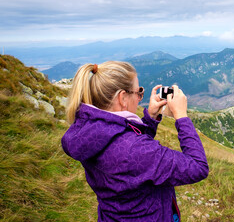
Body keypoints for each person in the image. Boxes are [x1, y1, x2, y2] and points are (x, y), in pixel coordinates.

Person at [61, 61, 209, 222]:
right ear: (122, 97)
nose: (140, 98)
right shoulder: (133, 149)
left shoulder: (91, 133)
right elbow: (197, 166)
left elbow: (133, 158)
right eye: (138, 92)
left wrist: (150, 119)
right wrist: (181, 116)